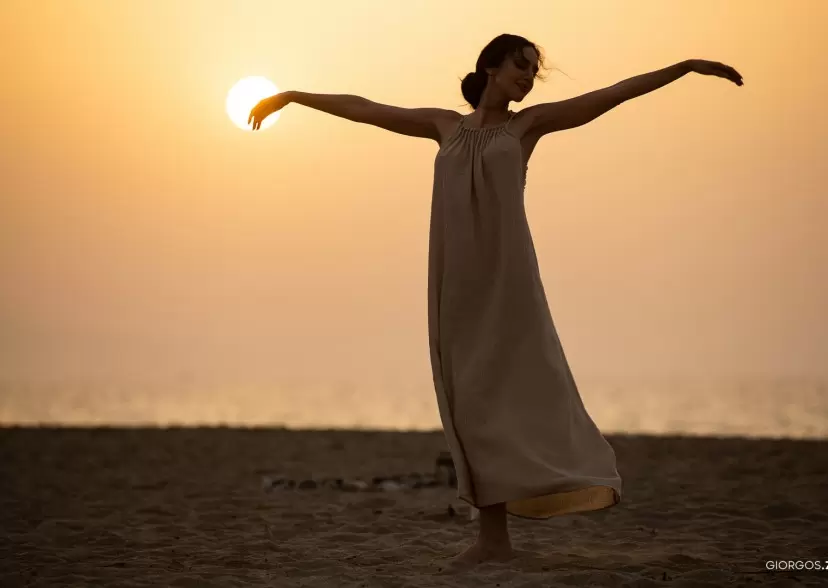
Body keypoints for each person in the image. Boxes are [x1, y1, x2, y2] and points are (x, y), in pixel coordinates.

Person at [249, 34, 743, 566]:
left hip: (508, 283)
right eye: (520, 66)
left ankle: (562, 484)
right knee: (471, 404)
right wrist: (294, 96)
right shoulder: (444, 125)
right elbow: (369, 109)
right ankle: (493, 541)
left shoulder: (526, 127)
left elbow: (611, 95)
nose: (528, 78)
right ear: (490, 67)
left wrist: (685, 66)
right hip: (455, 285)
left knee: (522, 388)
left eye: (534, 71)